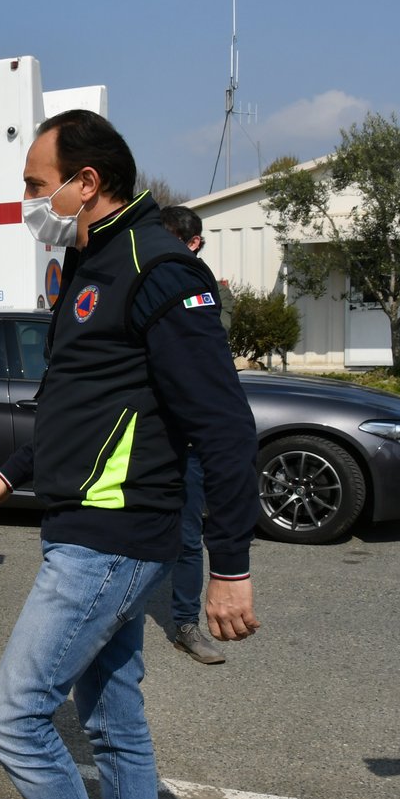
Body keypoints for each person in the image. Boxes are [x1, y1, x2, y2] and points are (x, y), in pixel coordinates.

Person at [0, 111, 258, 799]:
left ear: (89, 181)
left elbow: (225, 428)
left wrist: (229, 564)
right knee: (113, 722)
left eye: (41, 185)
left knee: (12, 719)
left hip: (117, 536)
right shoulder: (89, 257)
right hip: (83, 524)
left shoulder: (158, 267)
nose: (33, 201)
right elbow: (84, 399)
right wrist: (8, 475)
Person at [158, 204, 225, 665]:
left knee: (185, 539)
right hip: (151, 433)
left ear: (193, 243)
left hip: (188, 438)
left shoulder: (203, 290)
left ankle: (184, 624)